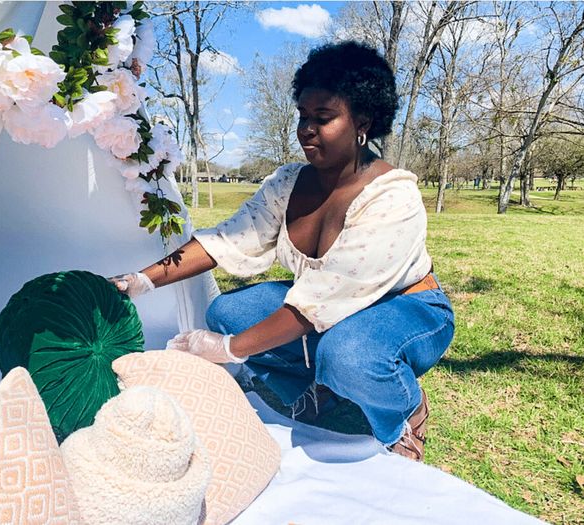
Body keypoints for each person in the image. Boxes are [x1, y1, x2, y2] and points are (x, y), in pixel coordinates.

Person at [110, 41, 455, 462]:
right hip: (330, 309)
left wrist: (230, 349)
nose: (306, 129)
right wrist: (140, 280)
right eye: (303, 116)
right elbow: (225, 240)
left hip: (407, 309)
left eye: (323, 118)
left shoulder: (393, 198)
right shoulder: (289, 183)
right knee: (226, 313)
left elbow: (317, 302)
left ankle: (404, 412)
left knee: (346, 354)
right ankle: (317, 389)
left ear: (362, 121)